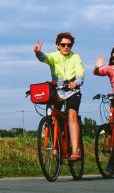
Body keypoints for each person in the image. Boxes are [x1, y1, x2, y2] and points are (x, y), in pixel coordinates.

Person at [34, 32, 85, 160]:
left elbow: (80, 72)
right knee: (50, 115)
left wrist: (76, 82)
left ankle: (75, 151)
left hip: (72, 90)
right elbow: (44, 58)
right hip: (57, 90)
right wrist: (38, 53)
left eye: (69, 45)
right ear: (58, 45)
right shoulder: (53, 56)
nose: (66, 47)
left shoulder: (75, 57)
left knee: (71, 114)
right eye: (63, 44)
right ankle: (55, 144)